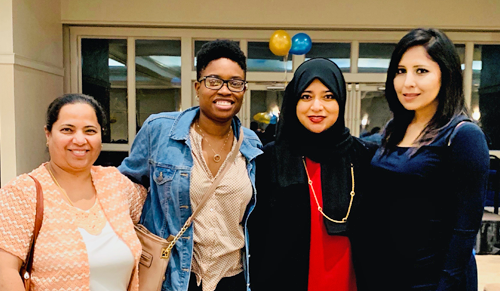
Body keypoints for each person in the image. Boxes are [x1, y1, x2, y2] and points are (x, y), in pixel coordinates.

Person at [118, 40, 262, 291]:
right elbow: (124, 187)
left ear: (243, 89)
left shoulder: (251, 144)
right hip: (174, 278)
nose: (225, 90)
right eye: (214, 81)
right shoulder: (160, 130)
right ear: (198, 86)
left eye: (235, 83)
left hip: (234, 278)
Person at [366, 28, 489, 290]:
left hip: (433, 280)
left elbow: (466, 229)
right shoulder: (393, 129)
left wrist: (446, 284)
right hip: (387, 274)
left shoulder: (463, 135)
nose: (407, 82)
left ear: (446, 75)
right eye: (400, 71)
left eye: (421, 71)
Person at [248, 58, 376, 291]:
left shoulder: (363, 157)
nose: (317, 106)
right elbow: (258, 236)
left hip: (349, 282)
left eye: (328, 96)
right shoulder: (271, 158)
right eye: (306, 96)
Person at [0, 94, 147, 291]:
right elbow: (5, 272)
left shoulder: (116, 184)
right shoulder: (22, 193)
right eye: (67, 130)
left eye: (90, 130)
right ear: (48, 134)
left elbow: (160, 205)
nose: (79, 140)